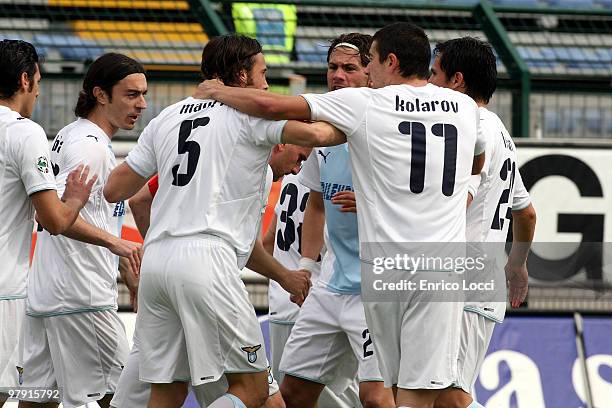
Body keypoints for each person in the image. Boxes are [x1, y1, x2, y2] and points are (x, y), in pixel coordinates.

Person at [193, 22, 487, 408]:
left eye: (369, 63)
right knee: (397, 392)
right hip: (412, 271)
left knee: (396, 396)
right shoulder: (464, 107)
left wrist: (217, 90)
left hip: (386, 276)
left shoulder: (367, 103)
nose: (360, 73)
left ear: (389, 62)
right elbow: (477, 158)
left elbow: (272, 105)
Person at [103, 34, 340, 408]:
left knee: (167, 391)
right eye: (262, 74)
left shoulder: (167, 116)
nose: (266, 83)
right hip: (208, 260)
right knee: (254, 390)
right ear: (242, 76)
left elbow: (115, 189)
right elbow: (313, 134)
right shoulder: (251, 115)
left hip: (158, 262)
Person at [110, 146, 312, 408]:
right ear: (279, 143)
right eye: (300, 158)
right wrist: (286, 276)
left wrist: (162, 252)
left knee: (162, 393)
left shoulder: (197, 144)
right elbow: (250, 247)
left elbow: (136, 199)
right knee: (260, 394)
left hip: (158, 270)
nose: (297, 169)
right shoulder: (254, 166)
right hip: (206, 275)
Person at [271, 33, 393, 408]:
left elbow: (425, 203)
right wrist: (306, 267)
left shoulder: (389, 129)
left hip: (377, 290)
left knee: (376, 398)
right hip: (329, 288)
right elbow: (318, 205)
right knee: (292, 393)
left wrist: (375, 202)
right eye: (332, 68)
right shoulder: (323, 130)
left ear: (370, 72)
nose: (337, 76)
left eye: (349, 68)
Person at [19, 53, 146, 408]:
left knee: (39, 399)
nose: (142, 104)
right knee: (128, 397)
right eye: (131, 95)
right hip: (81, 297)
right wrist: (116, 244)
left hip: (48, 295)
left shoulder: (71, 135)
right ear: (100, 94)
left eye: (143, 94)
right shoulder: (89, 147)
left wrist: (126, 269)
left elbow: (95, 213)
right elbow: (53, 215)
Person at [428, 37, 537, 408]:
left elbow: (455, 204)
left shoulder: (469, 128)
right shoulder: (501, 133)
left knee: (449, 396)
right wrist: (516, 265)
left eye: (433, 73)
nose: (427, 84)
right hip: (477, 278)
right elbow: (526, 212)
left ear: (456, 80)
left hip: (463, 282)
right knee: (431, 390)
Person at [0, 39, 95, 408]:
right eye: (38, 81)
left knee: (36, 394)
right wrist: (75, 198)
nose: (38, 91)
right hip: (5, 289)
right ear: (25, 80)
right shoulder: (25, 132)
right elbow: (53, 220)